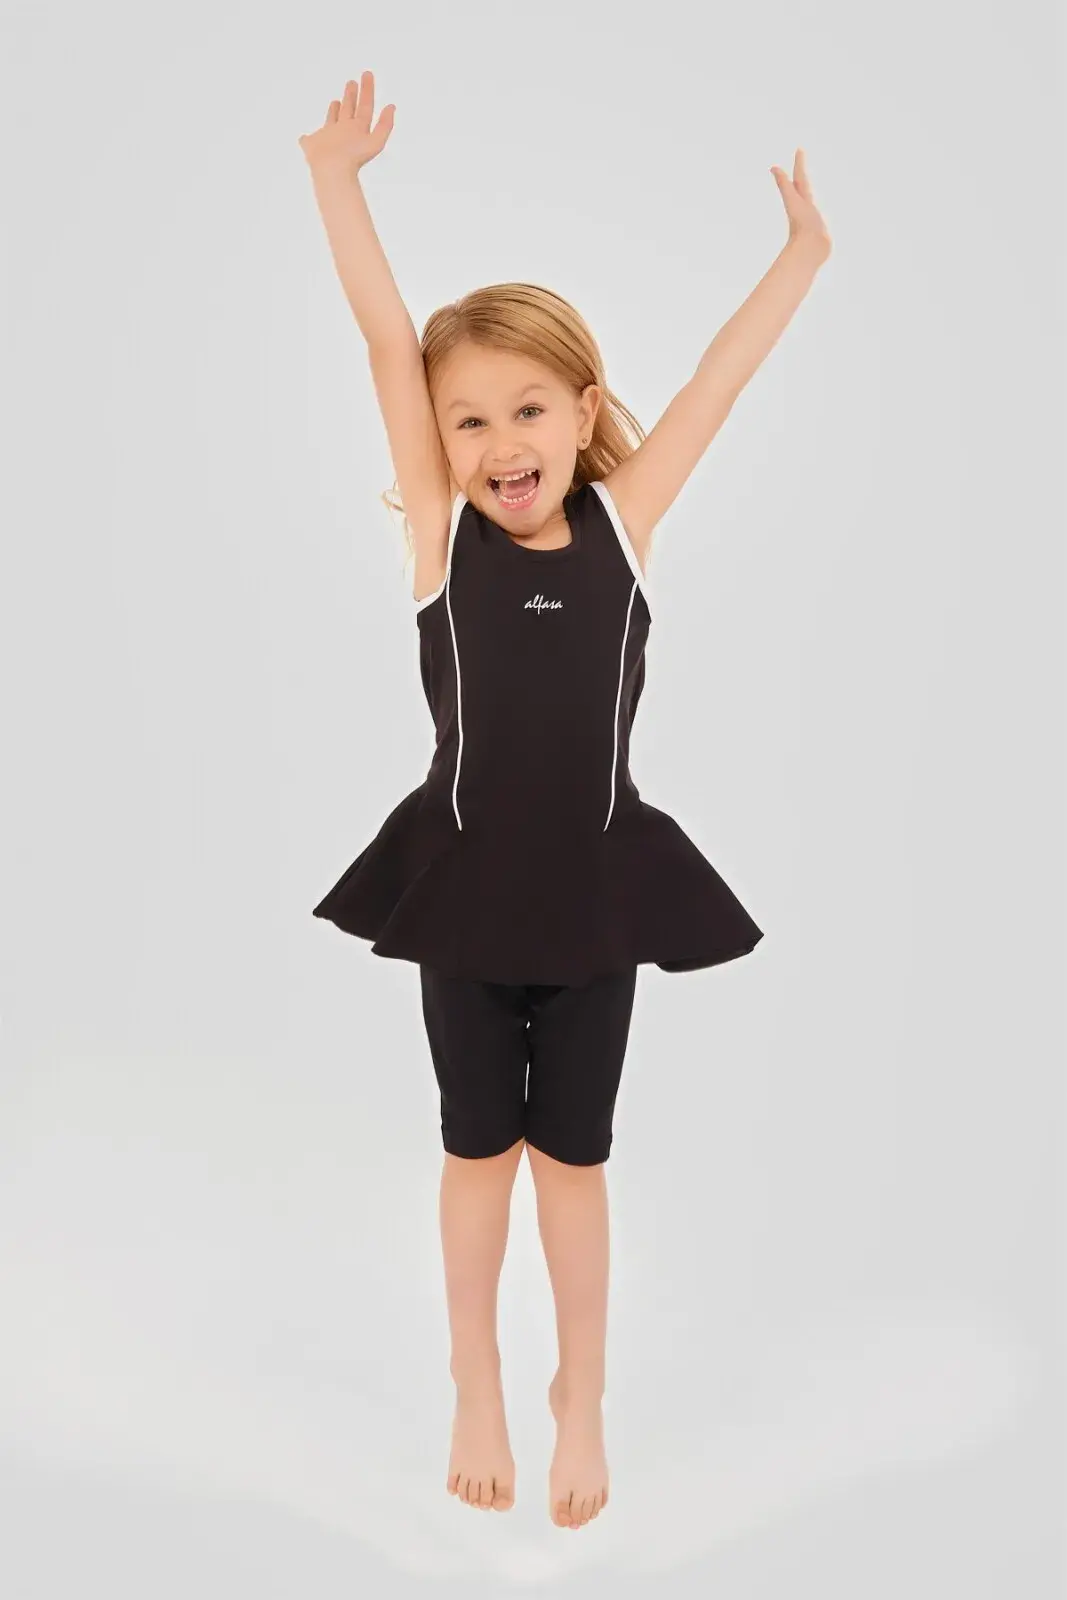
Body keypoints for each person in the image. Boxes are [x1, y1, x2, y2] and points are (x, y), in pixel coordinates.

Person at [298, 72, 831, 1531]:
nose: (499, 443)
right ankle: (473, 1376)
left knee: (574, 1163)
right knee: (477, 1150)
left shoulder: (625, 523)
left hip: (597, 902)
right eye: (466, 421)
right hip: (465, 901)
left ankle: (576, 1395)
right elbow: (382, 338)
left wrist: (801, 252)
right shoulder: (440, 537)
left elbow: (717, 379)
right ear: (437, 442)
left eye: (527, 409)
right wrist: (335, 179)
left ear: (583, 411)